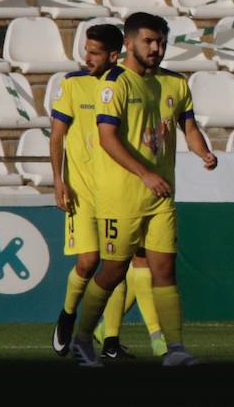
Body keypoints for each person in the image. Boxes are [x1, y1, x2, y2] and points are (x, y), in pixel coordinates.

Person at [67, 13, 219, 368]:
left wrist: (203, 152)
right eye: (149, 41)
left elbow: (190, 127)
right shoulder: (115, 83)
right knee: (113, 270)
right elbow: (107, 139)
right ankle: (82, 339)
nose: (157, 48)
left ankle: (175, 348)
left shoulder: (175, 84)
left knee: (164, 270)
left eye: (162, 42)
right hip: (122, 196)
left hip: (161, 196)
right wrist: (145, 173)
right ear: (130, 41)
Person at [49, 24, 155, 360]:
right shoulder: (72, 84)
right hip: (82, 190)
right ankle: (68, 314)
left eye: (94, 52)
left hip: (117, 189)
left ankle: (110, 341)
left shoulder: (127, 84)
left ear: (113, 55)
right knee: (88, 262)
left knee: (116, 262)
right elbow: (56, 136)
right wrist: (58, 180)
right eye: (86, 50)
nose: (86, 57)